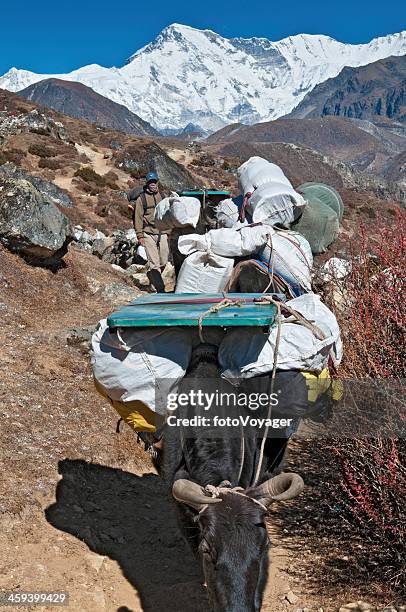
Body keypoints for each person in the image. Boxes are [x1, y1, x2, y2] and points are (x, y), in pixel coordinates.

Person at [127, 171, 169, 293]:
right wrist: (140, 236)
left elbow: (167, 215)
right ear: (147, 183)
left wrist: (169, 231)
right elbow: (138, 218)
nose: (152, 184)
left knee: (164, 260)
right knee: (154, 263)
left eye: (154, 181)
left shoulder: (162, 196)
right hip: (148, 233)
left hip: (162, 232)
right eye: (150, 182)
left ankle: (153, 277)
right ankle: (161, 289)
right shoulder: (142, 199)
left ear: (157, 182)